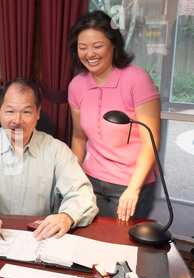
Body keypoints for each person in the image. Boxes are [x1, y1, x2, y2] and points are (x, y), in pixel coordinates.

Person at [0, 78, 98, 241]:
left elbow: (82, 194)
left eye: (26, 112)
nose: (17, 120)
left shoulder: (57, 150)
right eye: (10, 111)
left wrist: (66, 216)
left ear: (37, 113)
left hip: (39, 238)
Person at [67, 11, 161, 221]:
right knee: (90, 240)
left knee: (121, 246)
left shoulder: (137, 80)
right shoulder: (77, 86)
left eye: (98, 46)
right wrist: (71, 177)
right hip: (91, 178)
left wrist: (133, 189)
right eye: (83, 48)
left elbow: (150, 141)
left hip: (130, 183)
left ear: (114, 44)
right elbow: (79, 138)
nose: (90, 53)